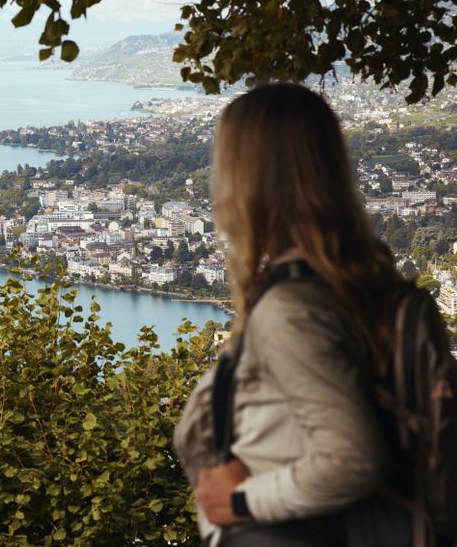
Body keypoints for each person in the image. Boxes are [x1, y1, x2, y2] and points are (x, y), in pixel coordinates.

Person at [173, 83, 413, 546]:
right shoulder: (367, 285)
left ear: (245, 181)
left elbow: (352, 460)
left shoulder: (293, 308)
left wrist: (242, 501)